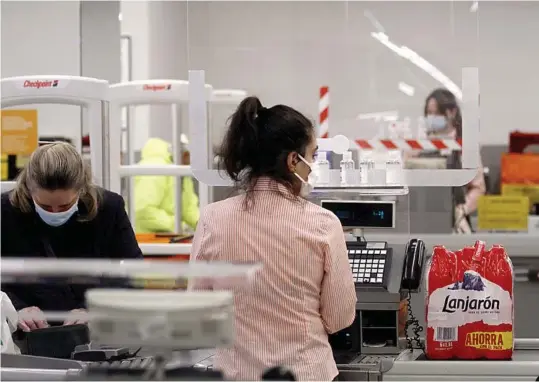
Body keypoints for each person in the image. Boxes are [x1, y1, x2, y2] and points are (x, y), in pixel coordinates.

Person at [191, 96, 357, 381]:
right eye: (312, 156)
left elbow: (199, 309)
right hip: (306, 372)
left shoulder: (212, 219)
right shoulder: (322, 224)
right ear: (294, 159)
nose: (312, 166)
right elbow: (339, 317)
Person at [1, 142, 142, 331]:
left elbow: (134, 274)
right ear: (28, 189)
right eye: (45, 206)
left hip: (94, 332)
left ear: (81, 189)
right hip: (25, 333)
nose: (55, 212)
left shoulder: (109, 208)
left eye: (65, 206)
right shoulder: (5, 212)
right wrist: (15, 308)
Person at [424, 88, 486, 233]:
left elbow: (478, 187)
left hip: (454, 222)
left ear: (452, 112)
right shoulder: (420, 145)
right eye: (429, 113)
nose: (432, 117)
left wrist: (462, 209)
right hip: (423, 216)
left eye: (437, 113)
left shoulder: (464, 146)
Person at [133, 137, 199, 233]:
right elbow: (143, 211)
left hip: (166, 238)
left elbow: (189, 209)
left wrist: (204, 224)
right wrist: (177, 225)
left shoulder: (182, 172)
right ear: (185, 154)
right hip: (145, 240)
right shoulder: (155, 168)